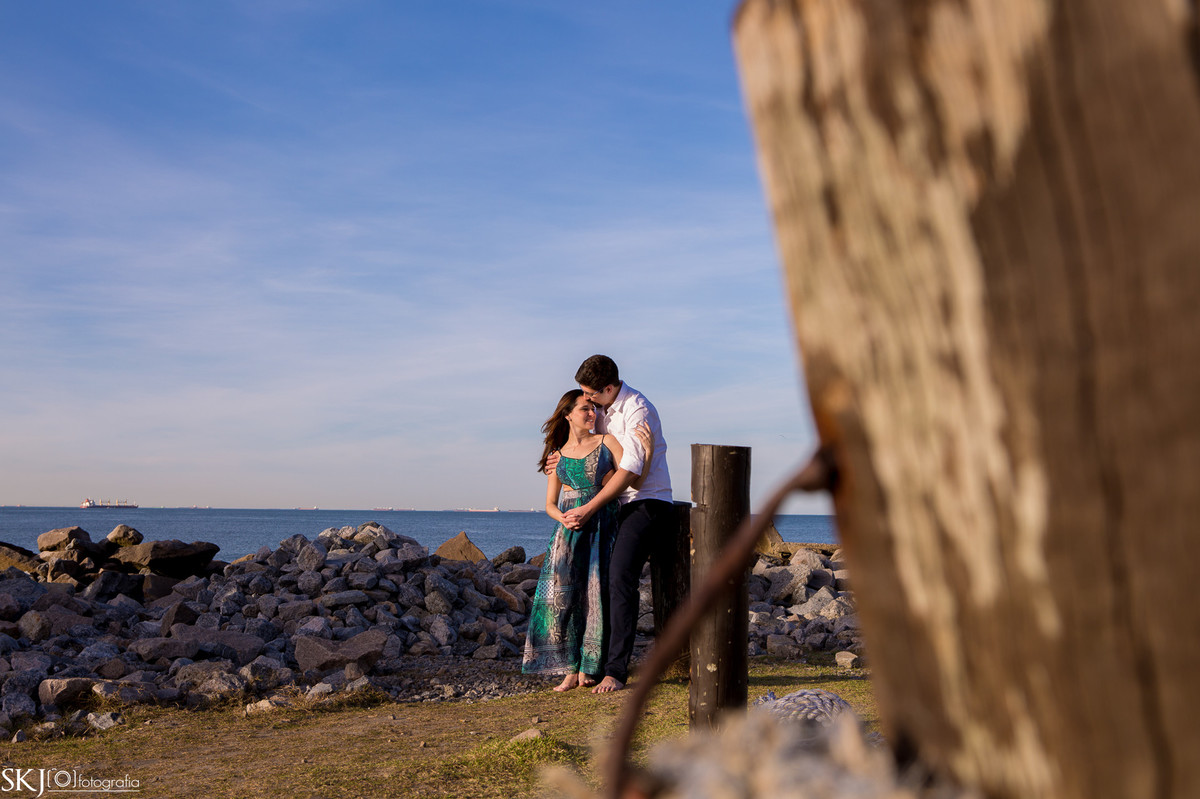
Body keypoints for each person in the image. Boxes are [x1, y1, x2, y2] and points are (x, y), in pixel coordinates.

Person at [555, 354, 673, 694]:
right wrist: (557, 461)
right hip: (611, 505)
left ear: (609, 388)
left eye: (591, 394)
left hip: (645, 502)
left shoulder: (638, 410)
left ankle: (615, 671)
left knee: (620, 578)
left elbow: (631, 475)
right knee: (595, 580)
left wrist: (589, 508)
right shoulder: (600, 410)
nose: (587, 401)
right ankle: (588, 665)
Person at [522, 389, 625, 691]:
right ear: (568, 414)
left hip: (602, 526)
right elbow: (550, 504)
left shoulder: (607, 442)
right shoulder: (558, 456)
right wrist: (563, 518)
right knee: (564, 598)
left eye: (593, 408)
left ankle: (591, 667)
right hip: (569, 532)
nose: (592, 413)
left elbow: (629, 476)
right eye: (585, 408)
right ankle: (570, 668)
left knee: (596, 594)